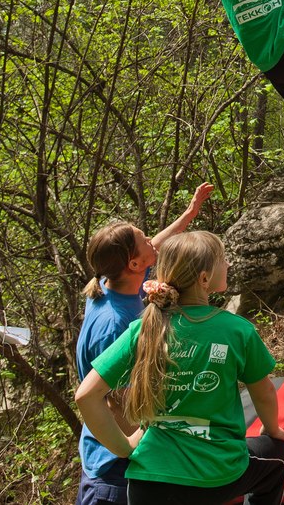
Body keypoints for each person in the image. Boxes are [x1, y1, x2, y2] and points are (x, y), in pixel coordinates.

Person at [75, 231, 284, 505]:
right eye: (222, 260)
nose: (228, 265)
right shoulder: (237, 331)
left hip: (146, 483)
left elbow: (85, 395)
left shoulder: (143, 328)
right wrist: (273, 429)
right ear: (204, 279)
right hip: (215, 477)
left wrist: (124, 447)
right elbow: (263, 394)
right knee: (276, 460)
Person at [74, 183, 214, 505]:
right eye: (144, 240)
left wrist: (189, 214)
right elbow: (117, 402)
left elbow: (157, 244)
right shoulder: (118, 324)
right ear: (134, 265)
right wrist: (142, 448)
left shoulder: (111, 283)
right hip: (113, 470)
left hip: (108, 455)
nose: (153, 240)